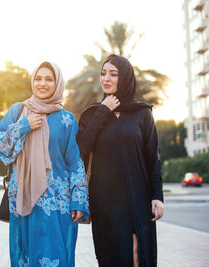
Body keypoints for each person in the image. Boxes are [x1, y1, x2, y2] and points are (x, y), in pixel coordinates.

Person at [0, 61, 89, 267]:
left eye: (48, 79)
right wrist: (23, 126)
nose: (42, 83)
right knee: (26, 257)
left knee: (57, 256)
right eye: (38, 78)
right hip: (24, 201)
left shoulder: (67, 120)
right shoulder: (17, 111)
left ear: (57, 83)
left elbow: (75, 163)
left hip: (57, 204)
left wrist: (79, 201)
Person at [76, 54, 164, 267]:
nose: (106, 78)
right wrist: (104, 111)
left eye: (113, 74)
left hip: (136, 197)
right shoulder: (92, 115)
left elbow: (152, 156)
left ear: (124, 78)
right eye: (103, 73)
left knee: (137, 253)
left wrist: (157, 196)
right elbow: (82, 149)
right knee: (110, 257)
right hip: (104, 200)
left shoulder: (142, 113)